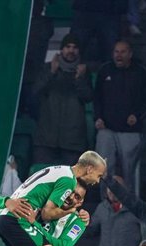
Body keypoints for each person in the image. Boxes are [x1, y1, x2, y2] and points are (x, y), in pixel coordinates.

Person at [94, 40, 146, 189]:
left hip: (130, 130)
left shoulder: (140, 72)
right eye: (116, 52)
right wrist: (98, 117)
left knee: (131, 170)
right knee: (103, 169)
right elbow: (97, 97)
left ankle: (131, 205)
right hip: (106, 128)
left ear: (130, 54)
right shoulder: (105, 70)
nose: (119, 55)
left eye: (123, 52)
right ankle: (105, 205)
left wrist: (137, 115)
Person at [32, 33, 93, 167]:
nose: (71, 50)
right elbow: (35, 91)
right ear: (61, 49)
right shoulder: (48, 68)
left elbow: (88, 97)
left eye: (75, 47)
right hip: (46, 138)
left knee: (70, 183)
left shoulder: (83, 72)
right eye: (67, 47)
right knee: (41, 181)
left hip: (73, 140)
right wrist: (52, 73)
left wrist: (79, 78)